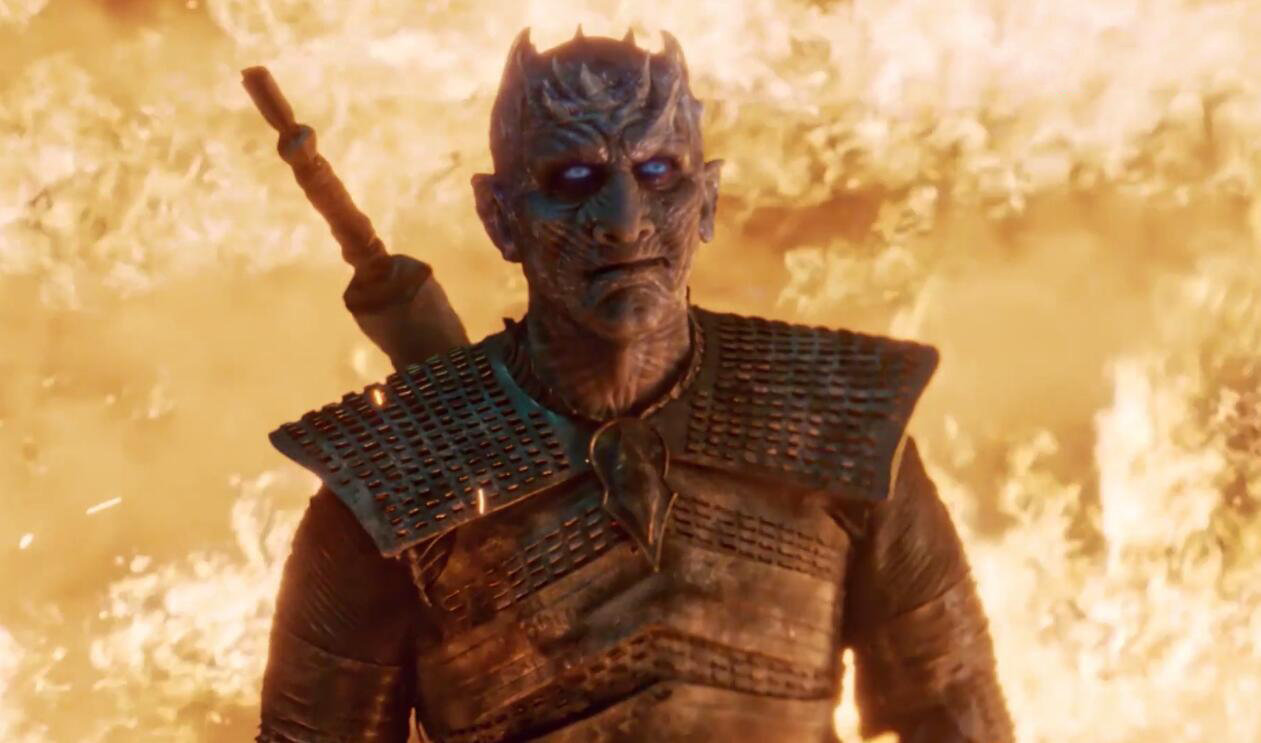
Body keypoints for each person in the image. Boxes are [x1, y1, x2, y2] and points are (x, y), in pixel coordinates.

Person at [257, 28, 1014, 743]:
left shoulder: (837, 424)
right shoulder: (391, 480)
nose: (623, 220)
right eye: (573, 179)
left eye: (658, 173)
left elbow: (955, 712)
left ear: (706, 198)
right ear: (499, 216)